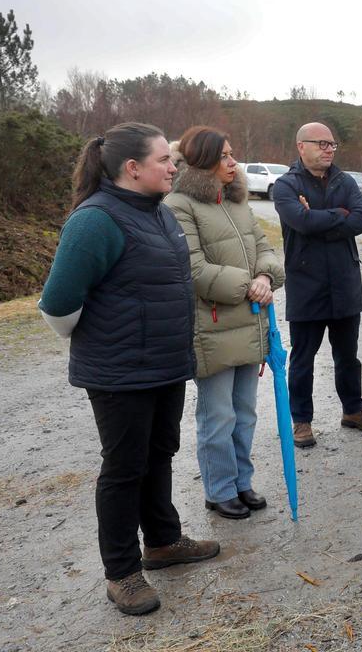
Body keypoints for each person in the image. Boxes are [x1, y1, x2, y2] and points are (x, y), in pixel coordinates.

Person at [39, 122, 219, 616]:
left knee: (160, 452)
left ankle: (161, 541)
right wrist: (105, 343)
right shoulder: (95, 220)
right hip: (118, 373)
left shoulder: (157, 212)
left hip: (163, 364)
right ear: (132, 168)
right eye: (164, 159)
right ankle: (121, 572)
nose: (173, 165)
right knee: (123, 469)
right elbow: (58, 305)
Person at [164, 126, 285, 520]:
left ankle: (241, 482)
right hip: (212, 326)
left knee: (245, 411)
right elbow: (193, 268)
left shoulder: (237, 202)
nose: (233, 163)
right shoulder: (179, 205)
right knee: (218, 415)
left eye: (233, 155)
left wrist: (266, 277)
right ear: (203, 163)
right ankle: (218, 489)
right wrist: (248, 285)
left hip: (250, 323)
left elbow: (265, 247)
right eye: (224, 157)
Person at [273, 122, 362, 448]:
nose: (329, 149)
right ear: (301, 146)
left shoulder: (345, 180)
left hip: (345, 283)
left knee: (348, 356)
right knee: (303, 359)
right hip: (307, 285)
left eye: (332, 144)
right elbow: (301, 222)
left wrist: (319, 217)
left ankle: (353, 410)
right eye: (321, 144)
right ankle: (302, 422)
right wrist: (339, 215)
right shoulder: (285, 186)